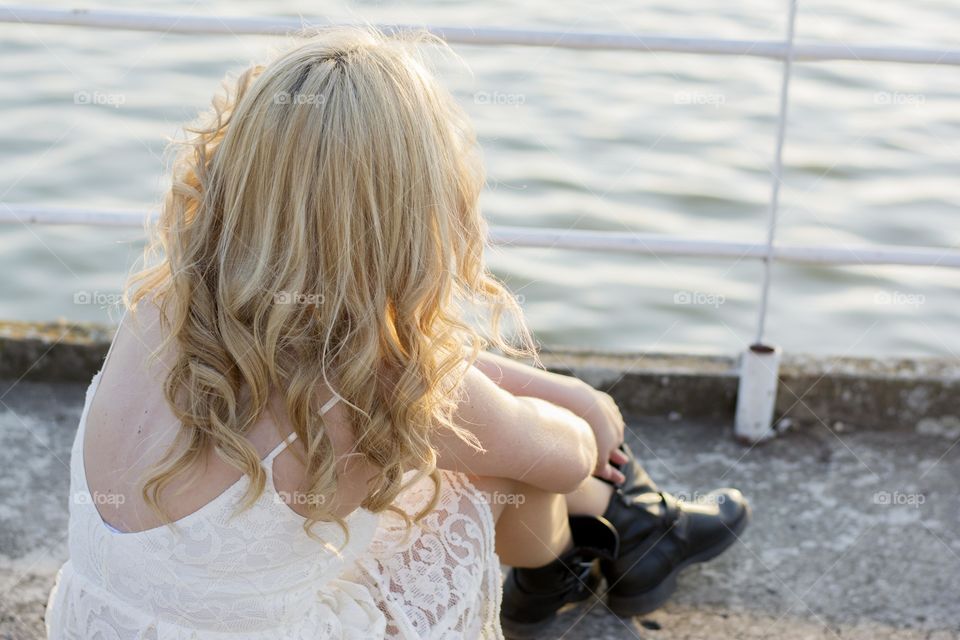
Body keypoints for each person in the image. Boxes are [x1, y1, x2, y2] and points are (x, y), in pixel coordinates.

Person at [45, 27, 749, 640]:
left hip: (100, 624)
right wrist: (587, 405)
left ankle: (624, 532)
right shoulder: (369, 387)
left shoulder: (165, 305)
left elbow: (409, 374)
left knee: (439, 426)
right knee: (479, 461)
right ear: (410, 212)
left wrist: (546, 386)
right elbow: (565, 457)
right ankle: (600, 543)